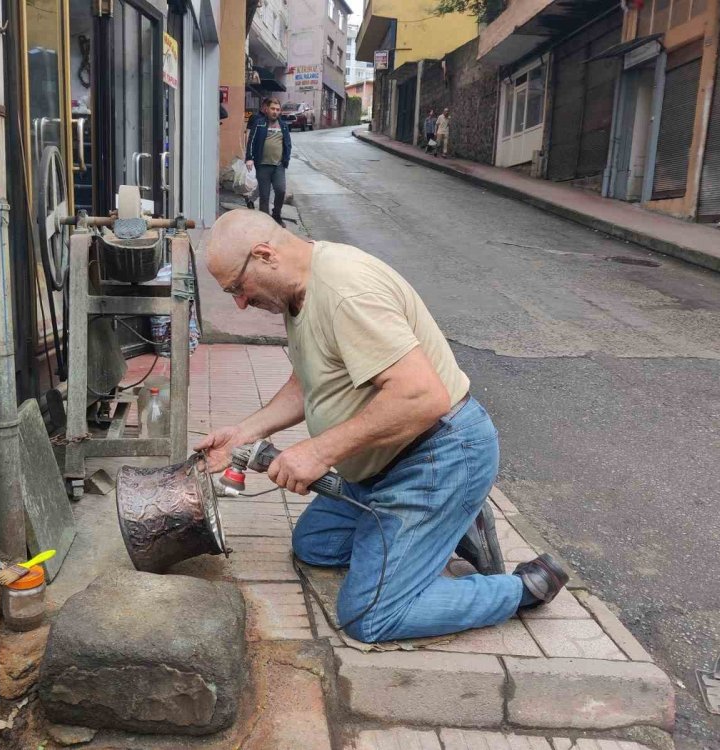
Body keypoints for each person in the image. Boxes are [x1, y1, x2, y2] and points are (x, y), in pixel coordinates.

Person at [197, 210, 568, 644]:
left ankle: (522, 588)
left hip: (437, 456)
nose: (240, 302)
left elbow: (422, 397)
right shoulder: (298, 290)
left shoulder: (344, 292)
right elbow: (308, 380)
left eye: (237, 289)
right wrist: (244, 433)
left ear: (264, 255)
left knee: (371, 617)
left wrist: (317, 453)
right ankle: (443, 527)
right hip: (379, 467)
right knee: (314, 546)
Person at [245, 97, 291, 227]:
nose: (275, 112)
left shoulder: (283, 126)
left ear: (280, 111)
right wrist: (249, 158)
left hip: (278, 166)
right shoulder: (259, 123)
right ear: (267, 109)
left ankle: (276, 215)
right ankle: (265, 223)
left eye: (277, 109)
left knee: (281, 190)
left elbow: (287, 143)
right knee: (264, 196)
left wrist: (286, 159)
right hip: (263, 166)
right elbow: (251, 141)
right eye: (272, 109)